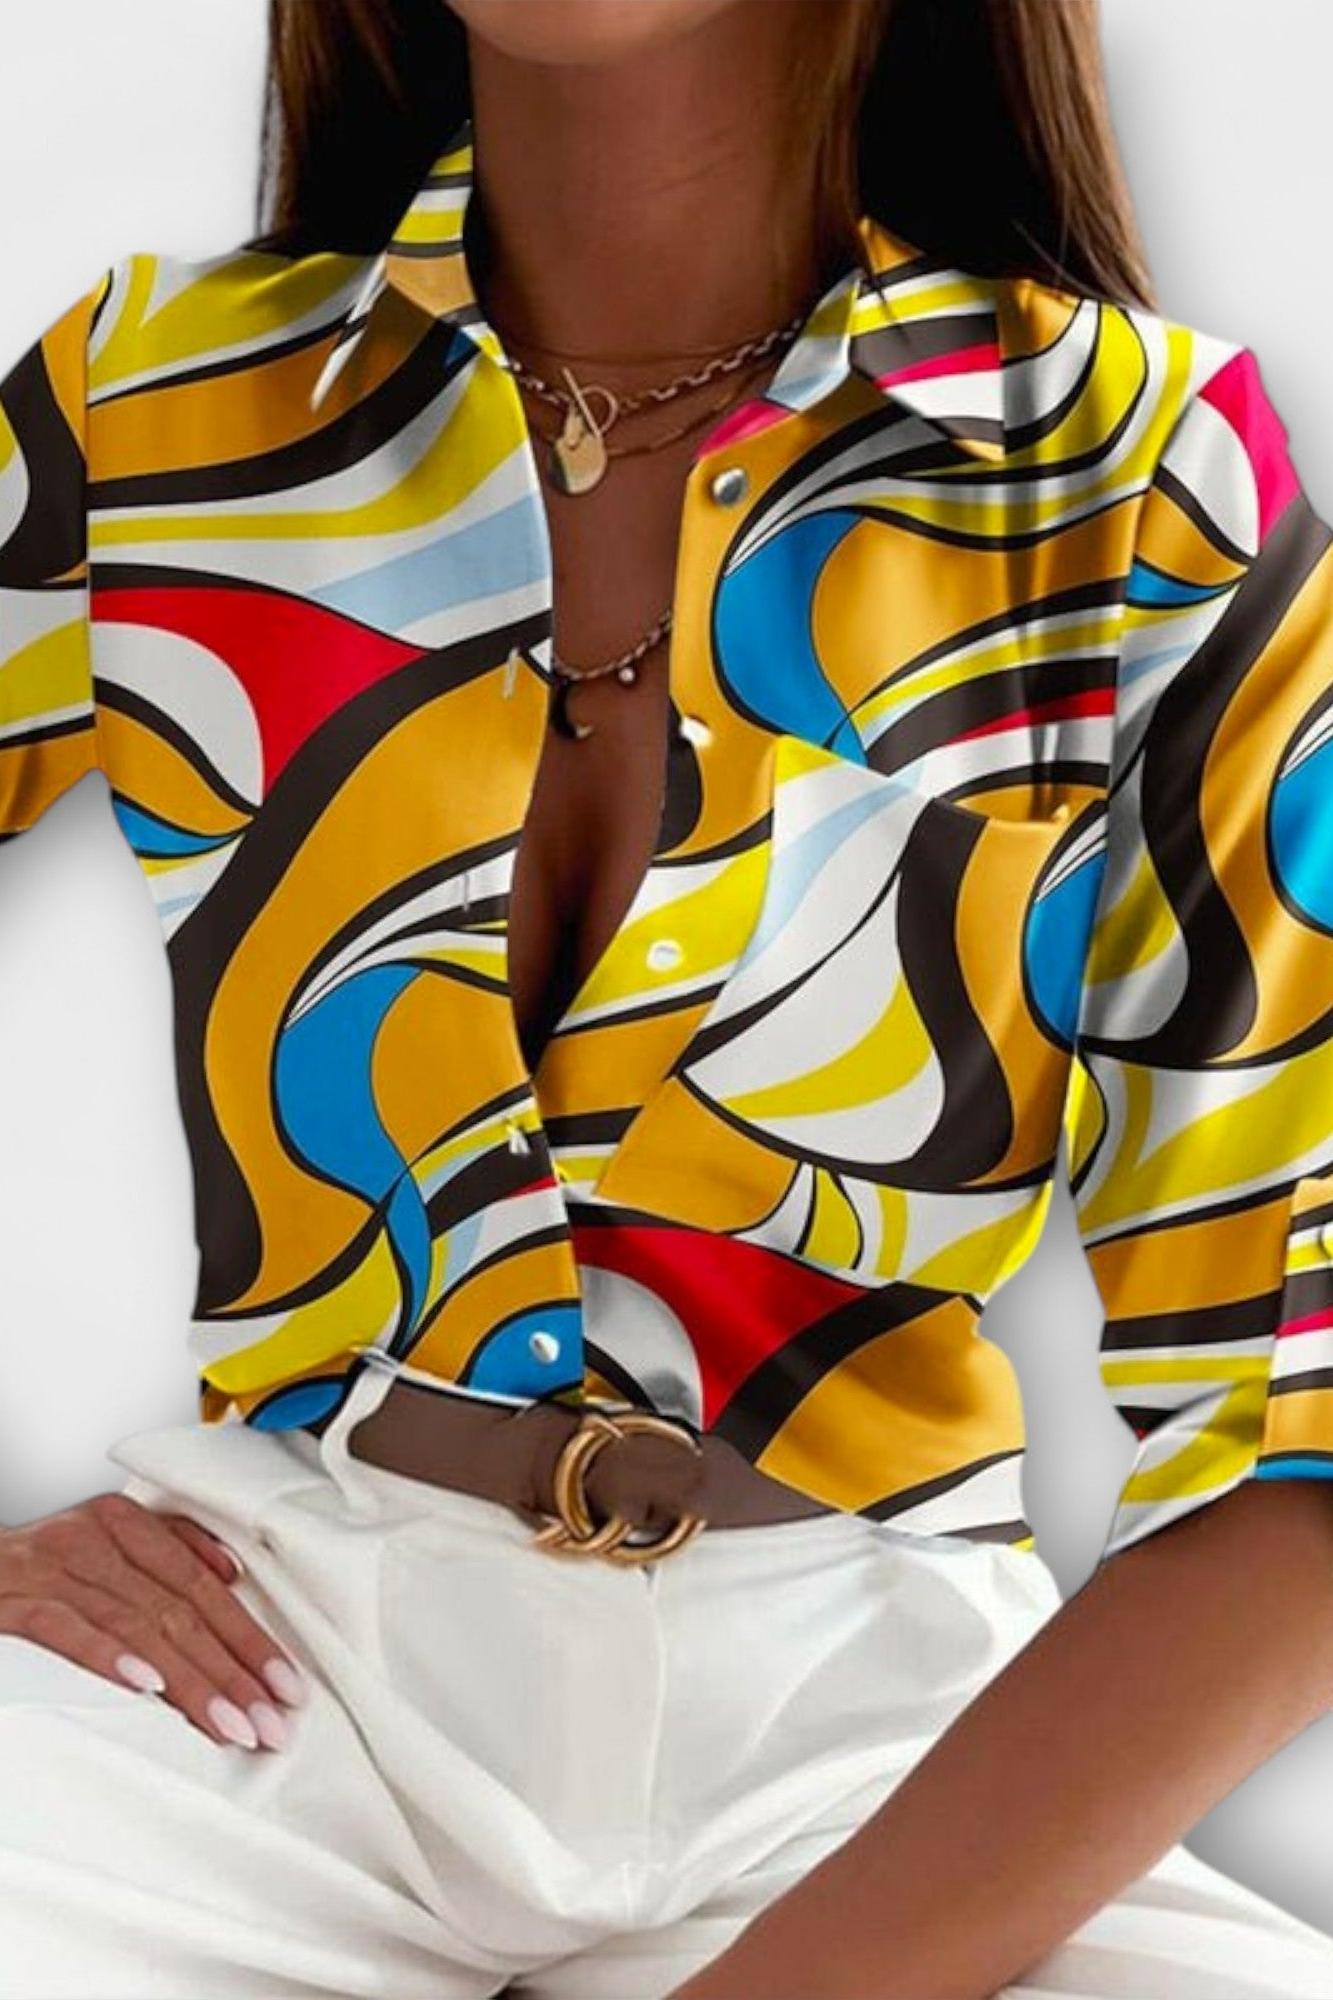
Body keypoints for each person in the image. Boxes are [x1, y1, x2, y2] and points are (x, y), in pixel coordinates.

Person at [4, 0, 1333, 1994]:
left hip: (888, 1741)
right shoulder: (165, 401)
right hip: (261, 1680)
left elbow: (1292, 1422)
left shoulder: (1133, 473)